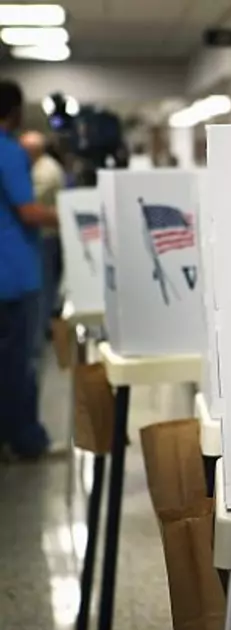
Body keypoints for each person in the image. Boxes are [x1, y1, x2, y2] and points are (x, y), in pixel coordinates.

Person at [0, 80, 59, 460]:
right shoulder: (9, 152)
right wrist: (68, 216)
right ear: (16, 112)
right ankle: (26, 440)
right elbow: (27, 210)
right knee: (21, 361)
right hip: (15, 274)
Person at [20, 130, 66, 350]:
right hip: (44, 237)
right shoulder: (37, 167)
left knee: (45, 288)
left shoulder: (45, 171)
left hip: (47, 238)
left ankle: (41, 332)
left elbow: (28, 205)